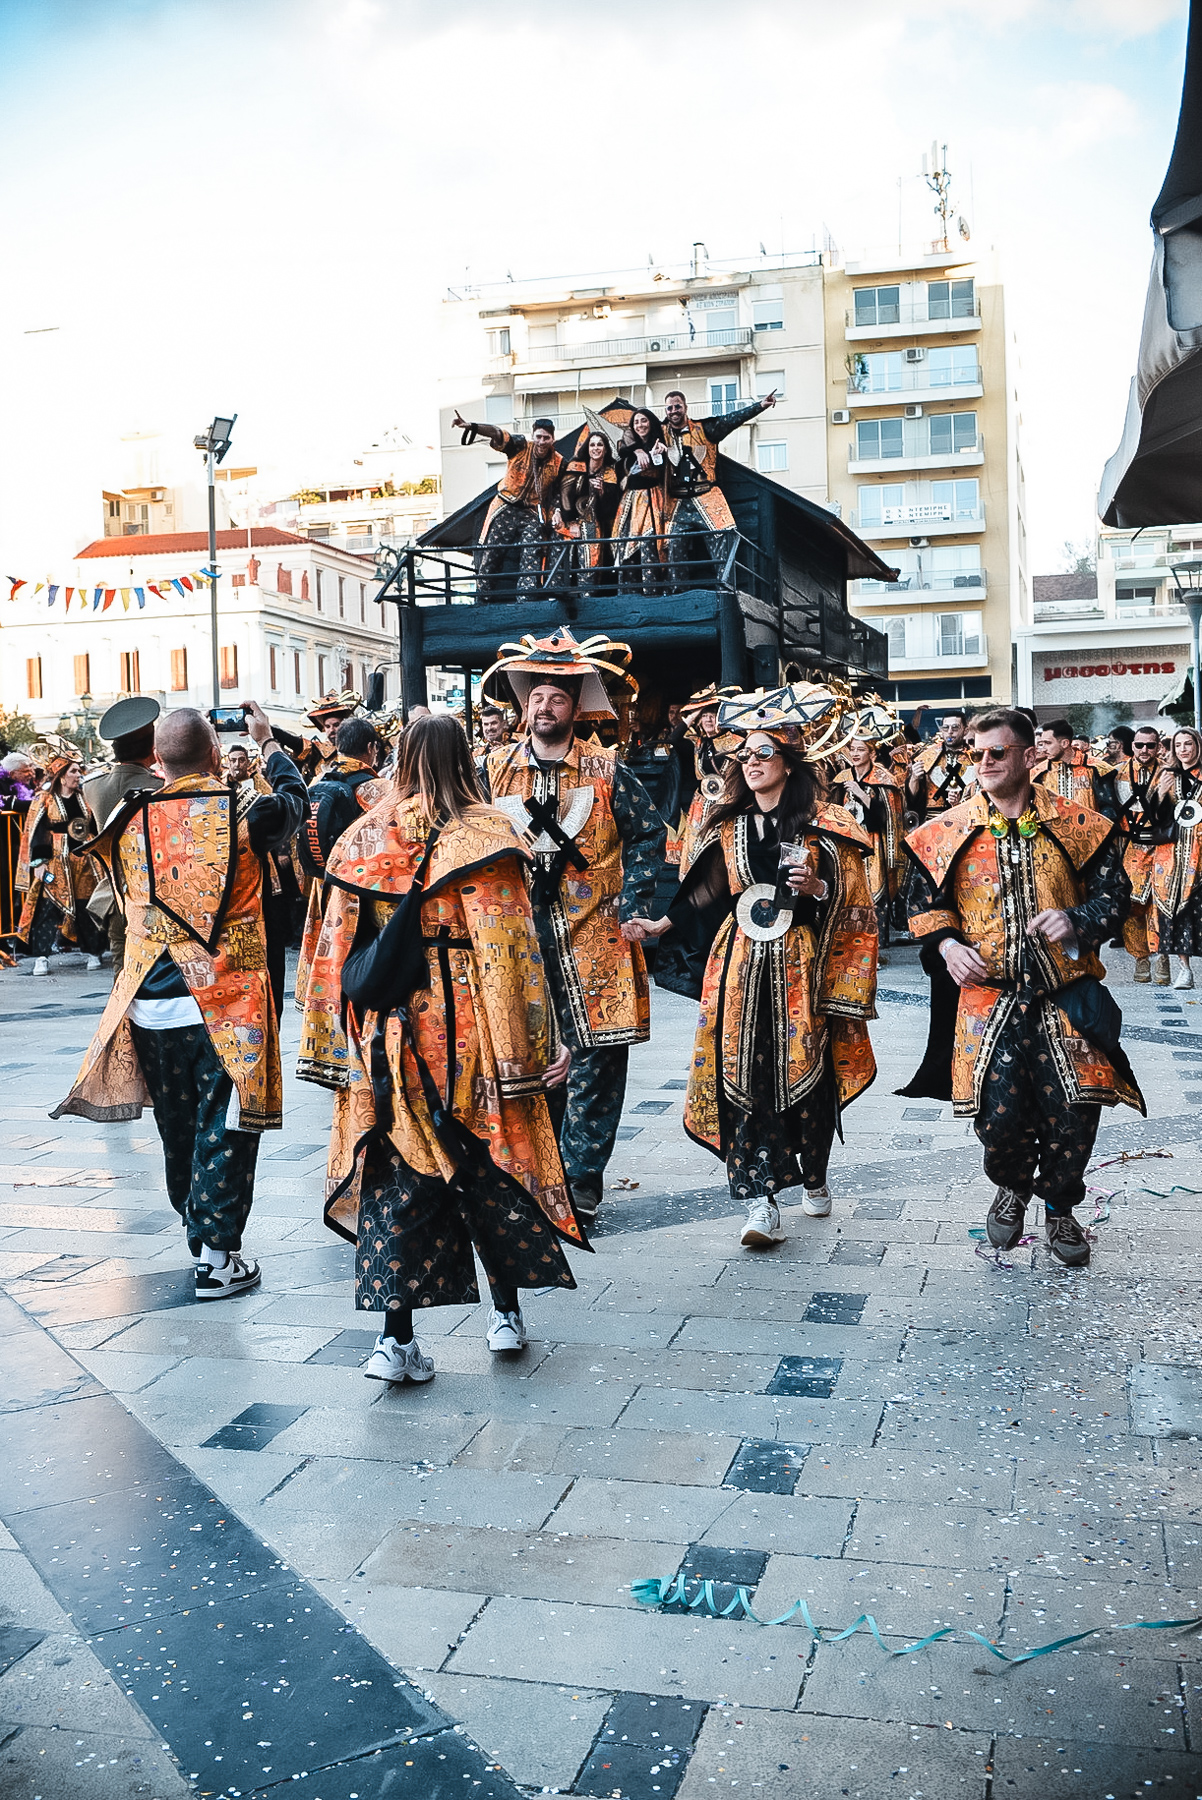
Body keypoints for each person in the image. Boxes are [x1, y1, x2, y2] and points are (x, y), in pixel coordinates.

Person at [298, 712, 582, 1377]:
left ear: (398, 758)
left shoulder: (362, 837)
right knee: (490, 1167)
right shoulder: (490, 835)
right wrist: (537, 1048)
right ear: (465, 760)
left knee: (399, 1179)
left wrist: (330, 1044)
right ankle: (505, 1316)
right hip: (473, 1034)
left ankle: (395, 1342)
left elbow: (330, 949)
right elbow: (510, 956)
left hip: (391, 1037)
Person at [52, 703, 306, 1299]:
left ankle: (200, 1238)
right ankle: (216, 1259)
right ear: (215, 753)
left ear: (157, 760)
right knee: (227, 1127)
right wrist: (268, 745)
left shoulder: (125, 815)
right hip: (224, 998)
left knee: (178, 1126)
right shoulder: (244, 811)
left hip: (149, 997)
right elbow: (296, 802)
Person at [628, 683, 878, 1246]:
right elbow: (706, 894)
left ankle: (814, 1172)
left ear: (789, 761)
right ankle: (761, 1201)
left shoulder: (827, 823)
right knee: (745, 1073)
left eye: (764, 751)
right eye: (744, 752)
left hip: (802, 963)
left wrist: (817, 888)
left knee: (807, 1070)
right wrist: (659, 926)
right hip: (738, 964)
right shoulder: (729, 825)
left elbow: (856, 901)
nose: (751, 760)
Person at [903, 707, 1141, 1269]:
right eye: (976, 753)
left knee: (1075, 1111)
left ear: (1030, 756)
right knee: (998, 1117)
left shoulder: (1081, 825)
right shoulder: (944, 832)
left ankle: (1059, 1207)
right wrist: (948, 946)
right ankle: (1011, 1185)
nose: (984, 762)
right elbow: (924, 905)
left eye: (997, 752)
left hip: (1065, 993)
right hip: (989, 996)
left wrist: (1076, 920)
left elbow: (1116, 897)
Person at [481, 629, 664, 1224]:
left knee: (596, 1058)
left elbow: (649, 833)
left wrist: (633, 902)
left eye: (557, 697)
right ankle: (536, 1171)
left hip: (595, 935)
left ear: (576, 706)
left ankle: (581, 1180)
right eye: (536, 696)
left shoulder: (607, 770)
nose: (545, 706)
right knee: (526, 1051)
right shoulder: (493, 771)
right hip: (515, 937)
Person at [295, 716, 388, 1007]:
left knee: (328, 958)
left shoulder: (318, 782)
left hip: (323, 888)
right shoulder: (379, 789)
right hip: (361, 892)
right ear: (372, 748)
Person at [660, 388, 777, 580]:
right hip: (676, 503)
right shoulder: (659, 433)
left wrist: (760, 406)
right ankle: (676, 590)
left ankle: (726, 587)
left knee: (724, 536)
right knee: (670, 545)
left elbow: (731, 419)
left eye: (677, 406)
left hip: (707, 496)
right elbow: (636, 434)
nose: (674, 411)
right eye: (669, 408)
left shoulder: (705, 429)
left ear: (685, 407)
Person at [453, 412, 563, 602]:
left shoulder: (559, 462)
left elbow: (560, 492)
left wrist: (557, 511)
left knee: (533, 547)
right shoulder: (520, 445)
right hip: (506, 504)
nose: (542, 442)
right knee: (492, 552)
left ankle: (526, 597)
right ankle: (483, 597)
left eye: (546, 438)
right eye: (538, 437)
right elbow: (497, 433)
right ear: (533, 436)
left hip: (530, 510)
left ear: (553, 439)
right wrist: (473, 426)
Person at [16, 756, 107, 976]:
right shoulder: (45, 799)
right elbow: (38, 831)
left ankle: (93, 952)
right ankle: (42, 957)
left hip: (84, 862)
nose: (78, 775)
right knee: (47, 909)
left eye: (79, 771)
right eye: (73, 771)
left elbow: (95, 826)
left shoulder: (85, 797)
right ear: (61, 776)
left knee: (87, 907)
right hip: (55, 862)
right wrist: (39, 862)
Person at [832, 728, 904, 955]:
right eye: (852, 749)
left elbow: (886, 817)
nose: (855, 754)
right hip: (849, 841)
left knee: (875, 889)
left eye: (861, 750)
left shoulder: (883, 779)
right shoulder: (842, 778)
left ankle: (876, 945)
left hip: (873, 842)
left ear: (872, 753)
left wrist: (861, 794)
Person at [1150, 726, 1202, 990]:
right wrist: (1160, 793)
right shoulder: (1167, 775)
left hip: (1200, 850)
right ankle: (1185, 970)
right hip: (1174, 856)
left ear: (1197, 746)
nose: (1183, 749)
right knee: (1180, 911)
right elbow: (1154, 817)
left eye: (1188, 744)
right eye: (1178, 745)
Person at [1111, 723, 1163, 982]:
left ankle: (1162, 957)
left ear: (1158, 747)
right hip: (1129, 849)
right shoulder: (1116, 774)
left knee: (1161, 906)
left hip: (1162, 848)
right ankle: (1140, 958)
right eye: (1139, 745)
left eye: (1150, 745)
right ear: (1132, 746)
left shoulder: (1168, 773)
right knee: (1132, 905)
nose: (1144, 750)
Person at [557, 429, 619, 596]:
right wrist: (572, 522)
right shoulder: (575, 466)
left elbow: (610, 508)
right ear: (587, 448)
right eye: (592, 445)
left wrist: (602, 492)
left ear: (605, 449)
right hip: (570, 521)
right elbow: (565, 494)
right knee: (563, 557)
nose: (596, 448)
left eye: (600, 445)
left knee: (593, 557)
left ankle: (588, 594)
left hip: (596, 523)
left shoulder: (610, 473)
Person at [613, 409, 670, 593]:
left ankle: (652, 592)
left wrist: (658, 454)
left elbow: (665, 467)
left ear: (651, 422)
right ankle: (628, 593)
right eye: (636, 422)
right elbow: (624, 443)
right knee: (626, 546)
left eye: (644, 420)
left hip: (652, 499)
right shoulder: (628, 447)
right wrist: (638, 451)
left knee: (649, 544)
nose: (640, 425)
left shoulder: (661, 442)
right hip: (629, 501)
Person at [1034, 718, 1117, 817]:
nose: (1043, 749)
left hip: (1090, 826)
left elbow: (1109, 809)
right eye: (1042, 744)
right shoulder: (1038, 772)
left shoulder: (1096, 768)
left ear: (1065, 743)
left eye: (1048, 743)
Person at [906, 712, 974, 820]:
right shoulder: (926, 757)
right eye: (946, 728)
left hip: (967, 818)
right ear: (941, 730)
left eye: (955, 727)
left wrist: (960, 802)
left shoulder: (975, 757)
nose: (950, 732)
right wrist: (914, 778)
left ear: (965, 731)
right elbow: (912, 798)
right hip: (931, 820)